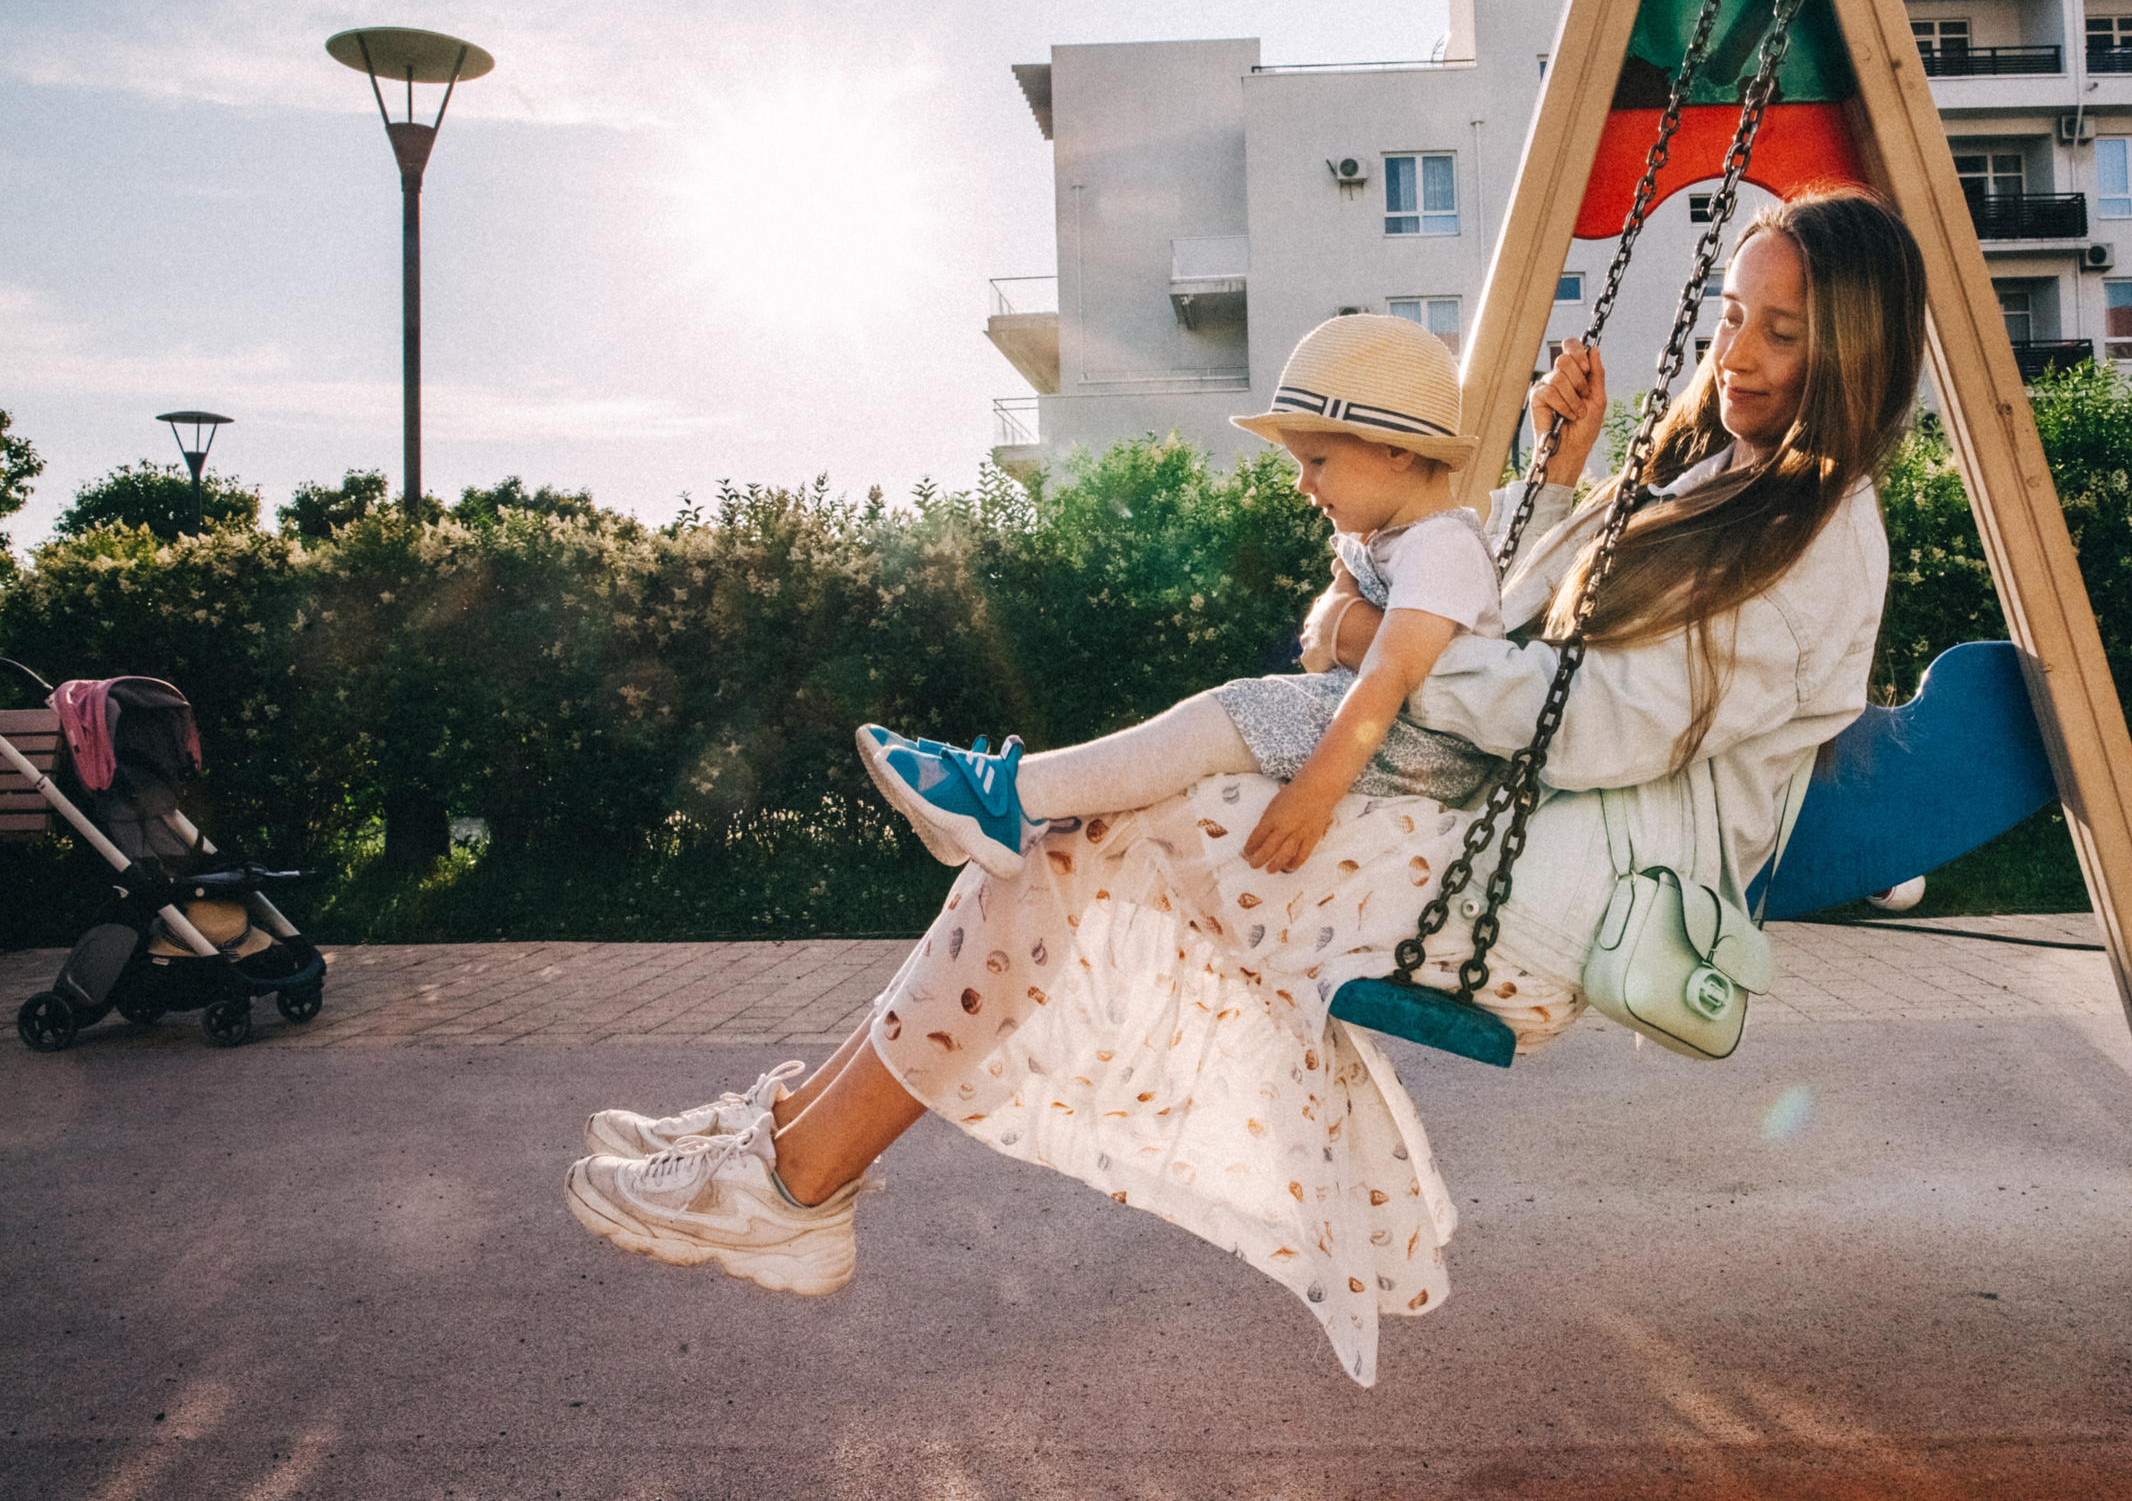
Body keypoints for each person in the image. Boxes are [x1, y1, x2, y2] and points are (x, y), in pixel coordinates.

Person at [563, 188, 1925, 1386]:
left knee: (1081, 836)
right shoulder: (1732, 472)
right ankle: (797, 1142)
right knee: (1085, 830)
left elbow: (1598, 722)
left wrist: (1398, 660)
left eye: (1781, 332)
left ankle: (800, 1174)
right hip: (1529, 829)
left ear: (1852, 348)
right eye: (1732, 316)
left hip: (1572, 890)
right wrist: (1550, 478)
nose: (1735, 352)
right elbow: (1534, 608)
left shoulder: (1819, 531)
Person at [852, 312, 1511, 883]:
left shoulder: (1441, 547)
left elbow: (1391, 672)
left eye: (1317, 461)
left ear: (1396, 449)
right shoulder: (1383, 540)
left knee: (1215, 722)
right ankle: (993, 806)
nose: (1301, 484)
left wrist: (1314, 793)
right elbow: (1325, 635)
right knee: (1218, 728)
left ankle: (1009, 797)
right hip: (1382, 732)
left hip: (1428, 754)